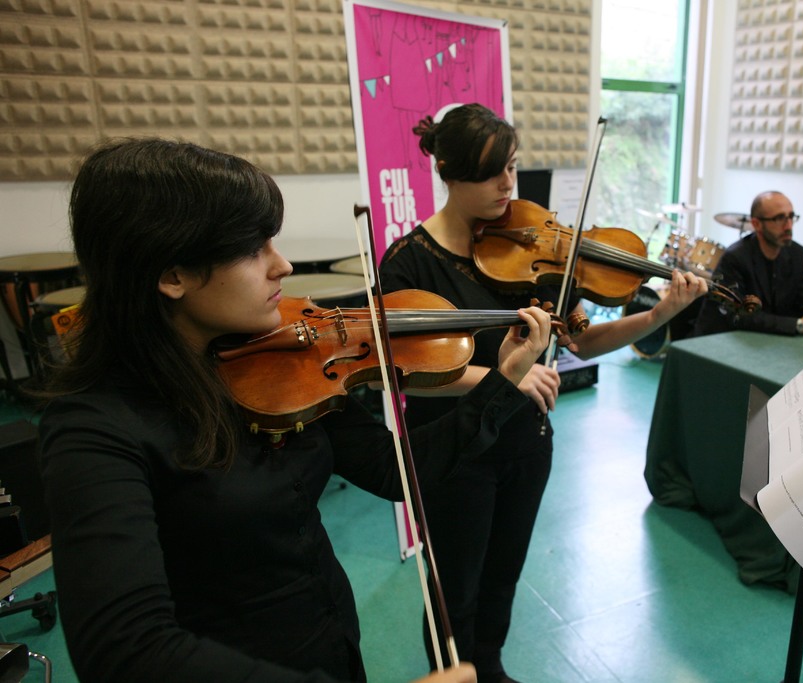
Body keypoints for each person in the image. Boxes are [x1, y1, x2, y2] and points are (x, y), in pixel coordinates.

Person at [37, 138, 559, 683]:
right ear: (172, 276)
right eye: (253, 249)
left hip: (333, 648)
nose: (281, 265)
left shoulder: (288, 363)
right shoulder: (93, 430)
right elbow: (127, 651)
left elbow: (392, 469)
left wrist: (503, 380)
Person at [377, 103, 708, 683]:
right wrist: (504, 378)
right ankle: (454, 675)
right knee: (454, 586)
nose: (508, 184)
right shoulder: (409, 264)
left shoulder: (528, 249)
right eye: (491, 173)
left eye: (511, 166)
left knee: (502, 575)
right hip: (455, 452)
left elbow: (582, 339)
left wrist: (658, 316)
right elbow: (406, 371)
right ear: (449, 173)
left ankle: (491, 668)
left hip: (527, 443)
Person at [692, 190, 803, 337]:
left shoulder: (797, 253)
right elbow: (739, 315)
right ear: (757, 224)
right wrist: (799, 325)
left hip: (766, 338)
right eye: (779, 218)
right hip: (720, 340)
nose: (788, 226)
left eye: (791, 217)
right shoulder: (735, 257)